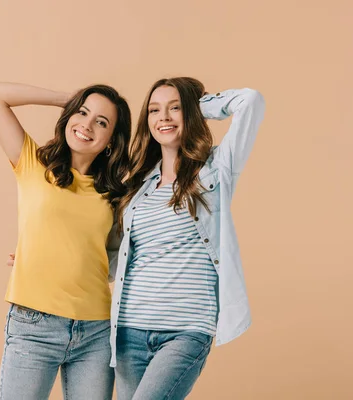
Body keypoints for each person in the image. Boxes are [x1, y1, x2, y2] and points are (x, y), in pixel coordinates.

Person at [110, 77, 265, 399]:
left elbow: (250, 101)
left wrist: (198, 106)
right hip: (129, 329)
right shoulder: (138, 185)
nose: (163, 117)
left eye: (174, 108)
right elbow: (113, 252)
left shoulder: (215, 170)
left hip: (187, 328)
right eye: (154, 110)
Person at [0, 81, 131, 400]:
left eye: (101, 122)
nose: (87, 125)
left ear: (110, 142)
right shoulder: (33, 164)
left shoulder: (115, 194)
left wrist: (54, 256)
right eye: (82, 113)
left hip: (96, 330)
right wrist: (67, 99)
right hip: (34, 325)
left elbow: (113, 259)